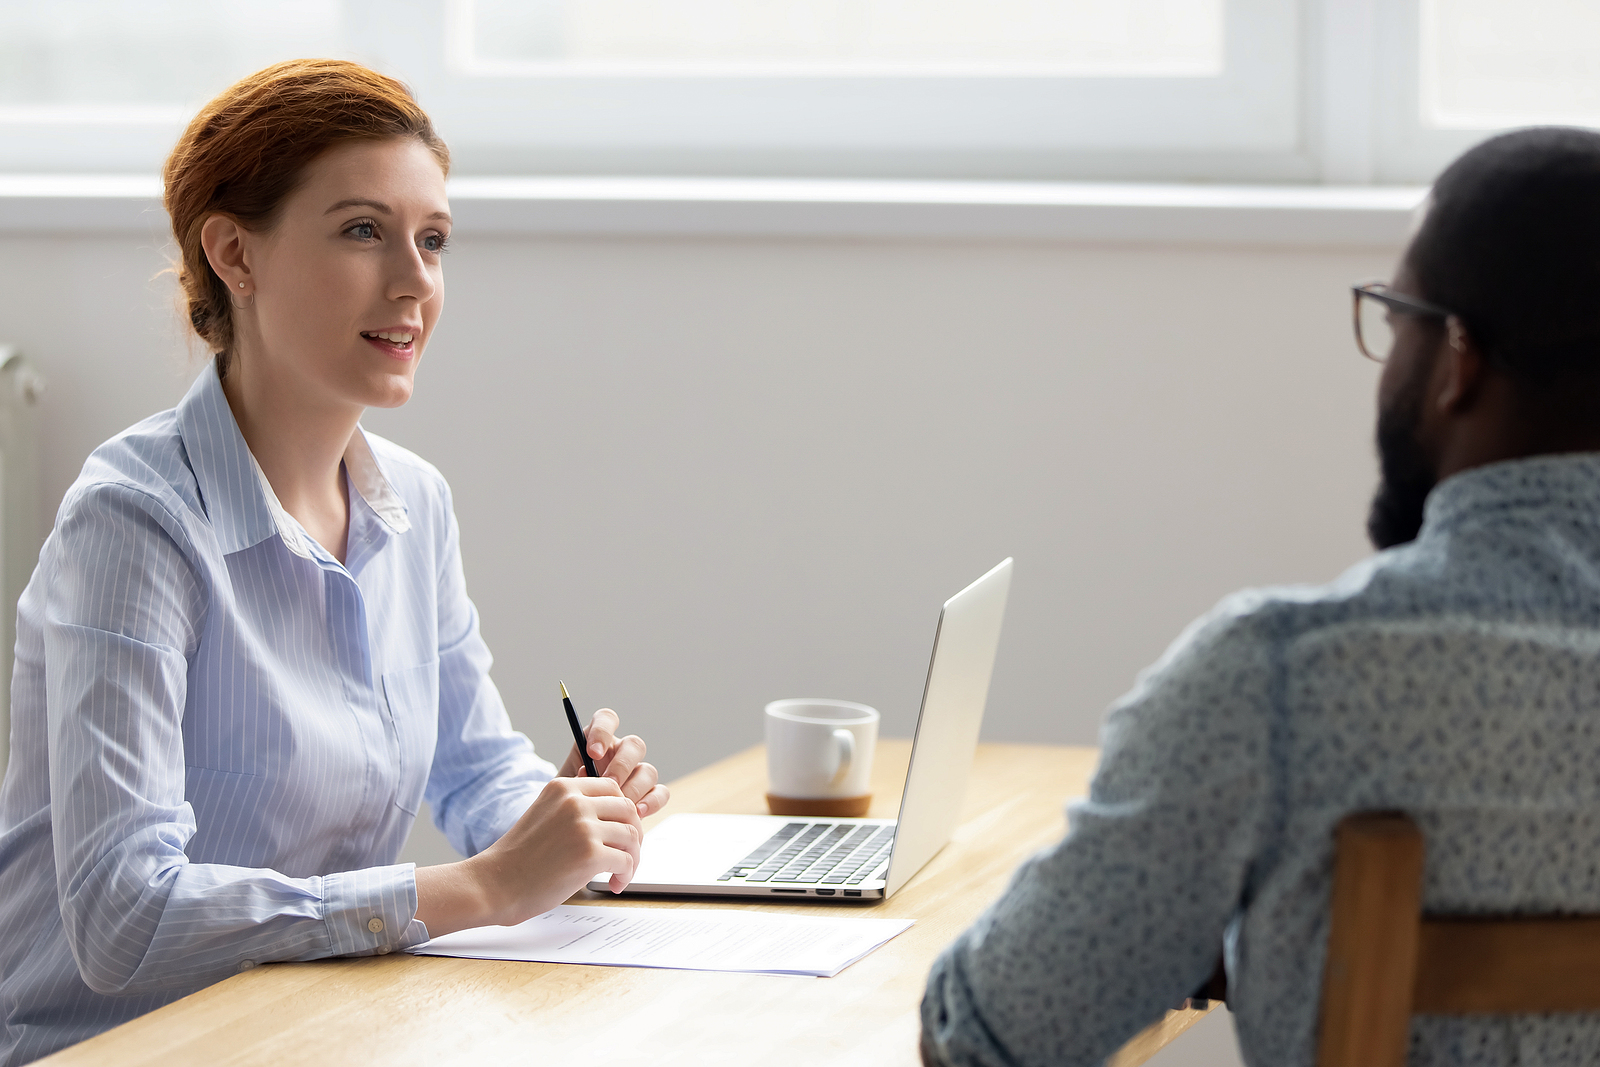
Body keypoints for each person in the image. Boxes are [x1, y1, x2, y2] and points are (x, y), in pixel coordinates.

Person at [0, 59, 668, 1065]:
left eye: (432, 240)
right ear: (235, 253)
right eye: (363, 230)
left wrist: (564, 817)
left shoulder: (415, 503)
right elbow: (121, 916)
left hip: (318, 1029)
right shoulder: (132, 524)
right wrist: (481, 886)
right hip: (119, 1046)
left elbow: (474, 762)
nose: (414, 282)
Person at [921, 126, 1600, 1067]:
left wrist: (1256, 931)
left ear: (1458, 359)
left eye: (1393, 318)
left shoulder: (1281, 680)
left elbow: (987, 1038)